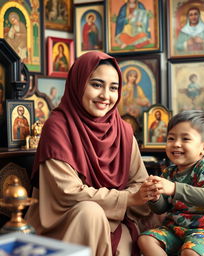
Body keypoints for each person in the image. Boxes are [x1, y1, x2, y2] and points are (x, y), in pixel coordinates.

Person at [25, 51, 151, 256]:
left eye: (113, 88)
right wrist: (128, 199)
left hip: (114, 219)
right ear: (78, 83)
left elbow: (139, 182)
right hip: (64, 222)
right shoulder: (58, 127)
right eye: (96, 85)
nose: (105, 96)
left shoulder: (123, 130)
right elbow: (69, 193)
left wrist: (144, 194)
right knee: (90, 213)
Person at [138, 110, 204, 256]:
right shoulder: (169, 172)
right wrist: (155, 197)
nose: (176, 144)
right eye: (171, 138)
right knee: (145, 240)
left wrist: (174, 188)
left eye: (185, 139)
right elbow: (162, 208)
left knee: (190, 252)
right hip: (176, 230)